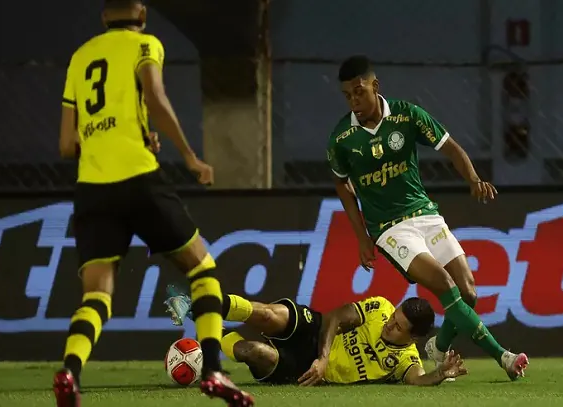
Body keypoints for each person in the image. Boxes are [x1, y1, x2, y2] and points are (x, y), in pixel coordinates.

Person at [54, 1, 254, 406]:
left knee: (97, 296)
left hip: (92, 188)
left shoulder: (79, 57)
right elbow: (156, 98)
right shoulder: (146, 44)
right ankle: (214, 371)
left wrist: (112, 138)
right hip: (139, 180)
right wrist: (189, 156)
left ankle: (70, 372)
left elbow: (66, 145)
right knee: (202, 269)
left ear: (103, 16)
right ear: (141, 14)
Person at [325, 55, 528, 381]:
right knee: (445, 286)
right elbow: (341, 183)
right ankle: (502, 356)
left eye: (359, 92)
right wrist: (362, 236)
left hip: (425, 215)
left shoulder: (406, 115)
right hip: (390, 229)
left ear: (375, 86)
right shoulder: (342, 139)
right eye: (347, 95)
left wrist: (473, 179)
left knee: (469, 294)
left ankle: (438, 345)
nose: (354, 101)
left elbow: (449, 147)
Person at [165, 288, 467, 386]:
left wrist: (440, 373)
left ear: (413, 338)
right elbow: (336, 317)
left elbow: (417, 379)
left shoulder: (404, 360)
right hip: (318, 331)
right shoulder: (380, 308)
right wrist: (323, 357)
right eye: (394, 318)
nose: (389, 325)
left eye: (399, 327)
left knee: (252, 351)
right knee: (268, 314)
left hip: (304, 370)